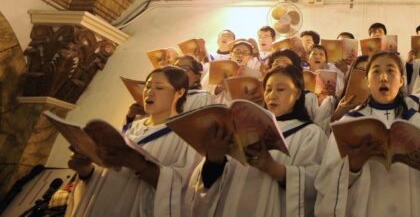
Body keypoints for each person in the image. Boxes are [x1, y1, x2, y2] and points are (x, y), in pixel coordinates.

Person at [314, 51, 420, 216]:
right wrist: (352, 168)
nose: (383, 77)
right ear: (367, 81)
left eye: (390, 71)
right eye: (375, 71)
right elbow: (326, 182)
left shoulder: (419, 122)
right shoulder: (349, 123)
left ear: (402, 80)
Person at [188, 65, 327, 216]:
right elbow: (208, 183)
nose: (272, 95)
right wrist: (214, 160)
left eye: (280, 89)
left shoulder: (310, 133)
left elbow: (317, 184)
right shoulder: (238, 128)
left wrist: (272, 167)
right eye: (268, 89)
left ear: (298, 93)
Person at [66, 67, 199, 216]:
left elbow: (185, 189)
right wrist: (85, 170)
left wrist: (139, 165)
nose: (149, 92)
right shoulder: (128, 129)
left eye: (159, 87)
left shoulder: (186, 135)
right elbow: (102, 176)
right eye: (147, 86)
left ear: (179, 93)